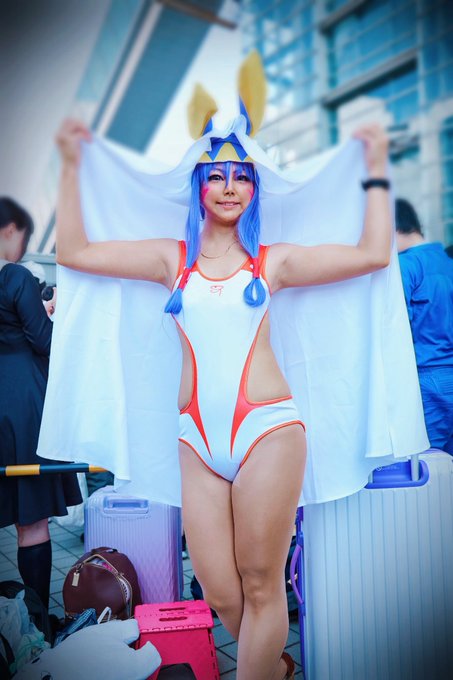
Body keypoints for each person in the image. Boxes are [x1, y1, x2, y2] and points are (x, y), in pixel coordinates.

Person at [53, 69, 393, 678]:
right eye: (217, 174)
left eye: (242, 175)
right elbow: (75, 253)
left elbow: (371, 254)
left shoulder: (271, 262)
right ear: (199, 182)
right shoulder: (172, 259)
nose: (230, 186)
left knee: (261, 584)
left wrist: (376, 168)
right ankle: (277, 669)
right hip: (196, 441)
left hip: (268, 431)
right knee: (219, 591)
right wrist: (72, 166)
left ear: (256, 186)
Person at [0, 197, 82, 609]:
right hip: (23, 404)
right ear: (10, 230)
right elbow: (44, 341)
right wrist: (53, 313)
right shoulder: (14, 276)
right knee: (31, 523)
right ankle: (37, 622)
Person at [395, 197, 453, 454]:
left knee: (428, 463)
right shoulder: (446, 259)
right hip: (448, 371)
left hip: (427, 378)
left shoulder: (405, 266)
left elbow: (395, 327)